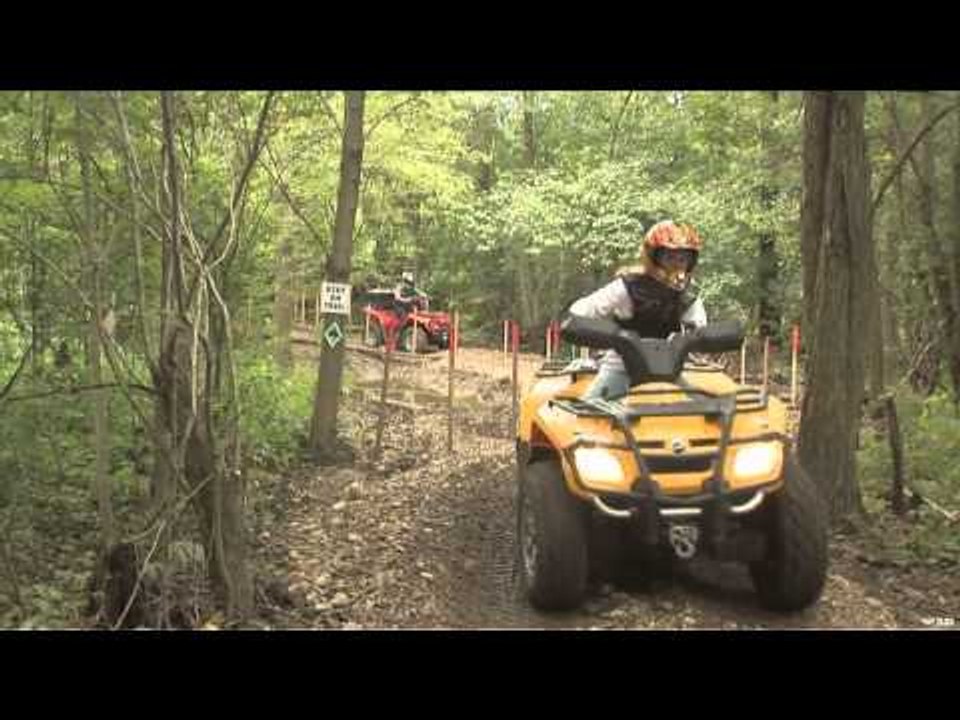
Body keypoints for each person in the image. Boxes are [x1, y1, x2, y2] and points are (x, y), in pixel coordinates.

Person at [567, 220, 707, 400]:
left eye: (682, 259)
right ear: (653, 257)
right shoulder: (628, 287)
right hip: (621, 369)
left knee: (706, 415)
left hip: (668, 372)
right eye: (670, 258)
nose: (677, 265)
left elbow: (701, 330)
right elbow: (581, 310)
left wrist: (701, 339)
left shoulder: (688, 296)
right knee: (589, 417)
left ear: (691, 262)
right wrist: (601, 334)